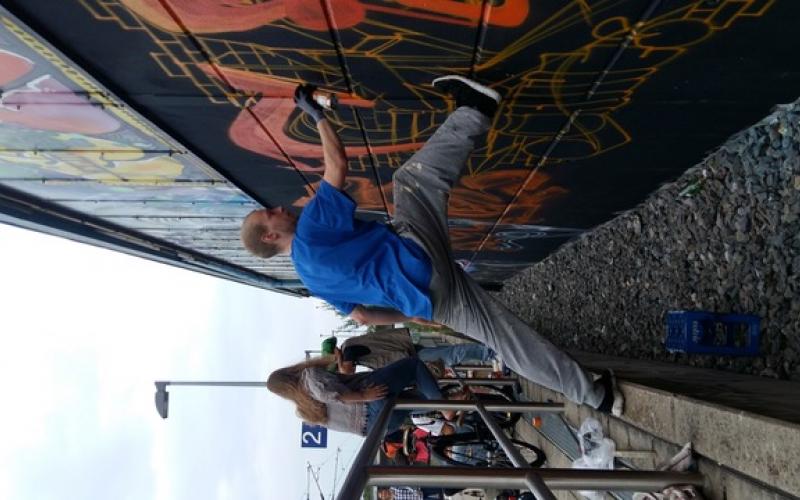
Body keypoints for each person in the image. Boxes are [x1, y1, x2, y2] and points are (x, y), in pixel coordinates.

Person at [243, 75, 622, 416]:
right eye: (269, 214)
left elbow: (362, 316)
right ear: (270, 236)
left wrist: (412, 316)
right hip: (418, 257)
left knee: (506, 340)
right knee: (411, 181)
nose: (278, 208)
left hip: (430, 300)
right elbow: (337, 166)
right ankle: (475, 109)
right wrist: (316, 115)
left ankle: (596, 396)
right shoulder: (309, 231)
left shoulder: (312, 281)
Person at [267, 356, 455, 437]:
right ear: (288, 372)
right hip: (369, 402)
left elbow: (332, 401)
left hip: (377, 429)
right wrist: (363, 395)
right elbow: (333, 395)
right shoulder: (308, 377)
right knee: (412, 366)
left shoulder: (305, 411)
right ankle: (446, 408)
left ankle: (457, 400)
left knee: (413, 399)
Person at [322, 328, 496, 374]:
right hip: (405, 351)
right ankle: (489, 352)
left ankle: (490, 352)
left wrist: (339, 360)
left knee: (450, 356)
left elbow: (347, 372)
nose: (338, 368)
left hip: (406, 354)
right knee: (449, 354)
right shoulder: (349, 347)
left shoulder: (348, 350)